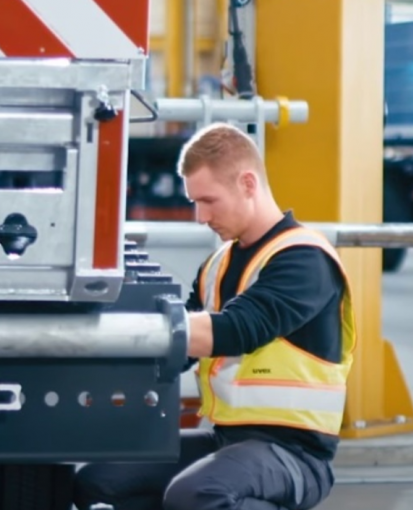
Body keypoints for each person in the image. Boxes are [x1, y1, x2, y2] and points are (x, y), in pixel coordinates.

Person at [73, 122, 356, 510]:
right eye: (195, 203)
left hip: (294, 454)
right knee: (99, 480)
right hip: (227, 440)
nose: (200, 216)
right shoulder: (217, 264)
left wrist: (129, 332)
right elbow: (181, 348)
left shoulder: (304, 258)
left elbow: (238, 329)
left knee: (195, 494)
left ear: (248, 184)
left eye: (208, 201)